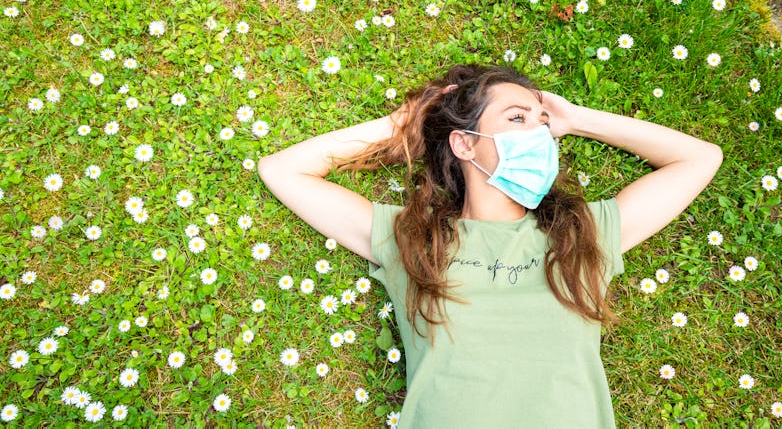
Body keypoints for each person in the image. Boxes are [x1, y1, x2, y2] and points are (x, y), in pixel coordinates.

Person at [257, 64, 723, 428]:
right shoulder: (415, 240)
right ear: (464, 143)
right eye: (517, 118)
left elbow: (700, 158)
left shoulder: (581, 236)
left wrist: (577, 120)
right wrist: (404, 123)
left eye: (543, 124)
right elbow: (282, 171)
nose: (539, 134)